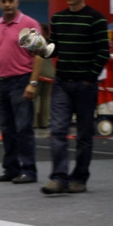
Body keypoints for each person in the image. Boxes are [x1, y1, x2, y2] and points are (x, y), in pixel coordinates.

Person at [37, 1, 109, 194]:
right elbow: (55, 49)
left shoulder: (95, 19)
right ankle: (59, 178)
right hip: (62, 82)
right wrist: (39, 46)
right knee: (58, 130)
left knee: (84, 134)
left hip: (84, 84)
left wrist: (89, 77)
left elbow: (103, 52)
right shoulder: (58, 19)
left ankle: (79, 178)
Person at [0, 0, 43, 185]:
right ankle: (11, 168)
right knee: (6, 128)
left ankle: (29, 170)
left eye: (11, 1)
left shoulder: (29, 24)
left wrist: (32, 82)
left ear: (17, 2)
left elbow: (39, 54)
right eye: (4, 1)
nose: (8, 4)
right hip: (0, 82)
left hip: (21, 81)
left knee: (23, 128)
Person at [33, 23, 55, 129]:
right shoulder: (49, 43)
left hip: (39, 73)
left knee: (34, 98)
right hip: (50, 73)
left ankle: (34, 123)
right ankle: (44, 122)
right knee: (46, 98)